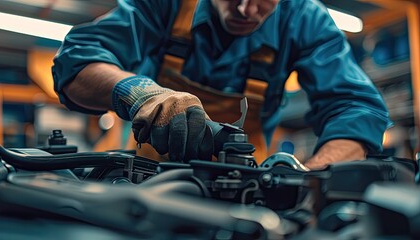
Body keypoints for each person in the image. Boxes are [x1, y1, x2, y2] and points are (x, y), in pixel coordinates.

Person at [52, 0, 392, 169]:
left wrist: (308, 176)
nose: (246, 9)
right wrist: (141, 94)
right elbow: (76, 60)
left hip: (245, 181)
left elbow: (357, 107)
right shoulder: (166, 4)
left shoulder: (304, 18)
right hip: (145, 173)